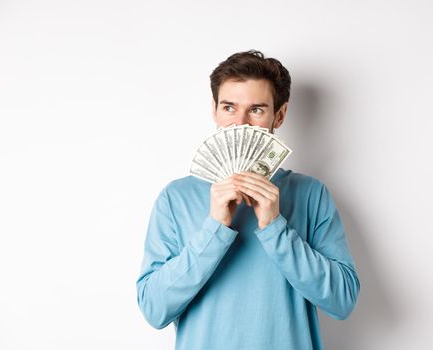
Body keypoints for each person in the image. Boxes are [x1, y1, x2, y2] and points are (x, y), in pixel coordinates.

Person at [136, 50, 360, 350]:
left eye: (256, 109)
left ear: (278, 115)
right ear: (214, 110)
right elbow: (154, 309)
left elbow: (342, 301)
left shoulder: (310, 194)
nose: (240, 123)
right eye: (229, 107)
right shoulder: (176, 198)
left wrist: (274, 226)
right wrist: (215, 227)